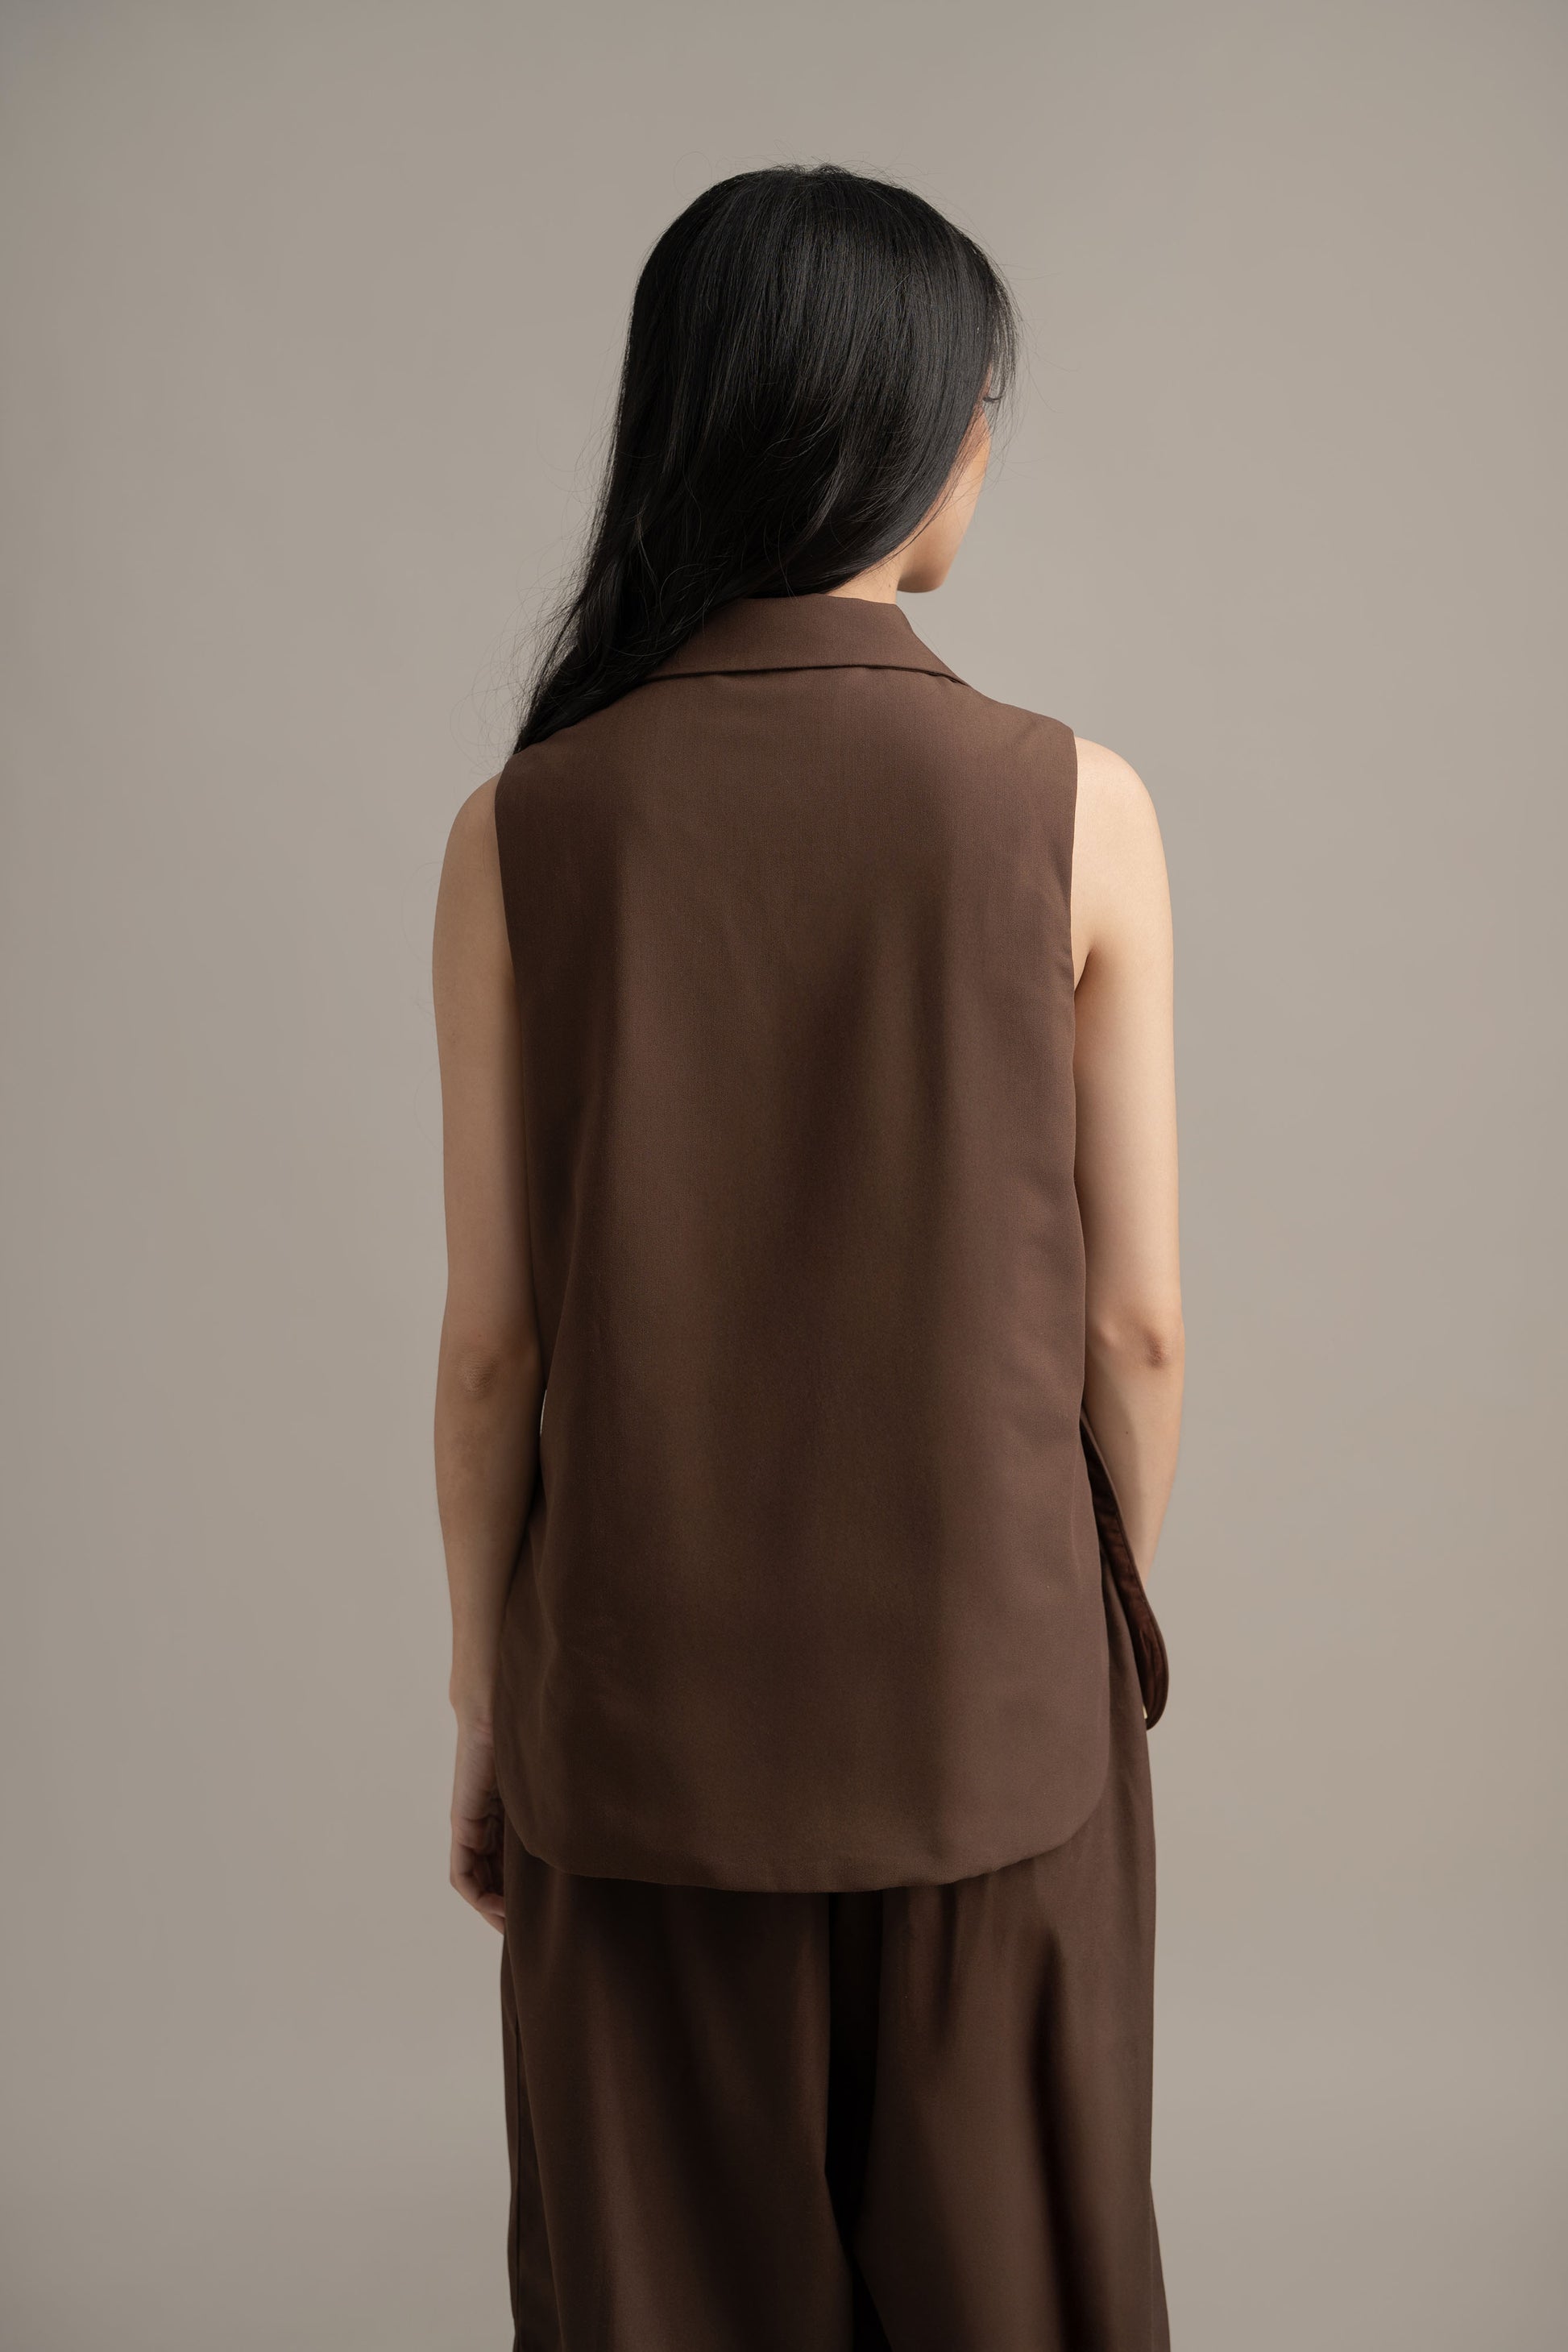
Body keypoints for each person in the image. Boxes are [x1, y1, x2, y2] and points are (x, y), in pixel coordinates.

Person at [432, 162, 1182, 2352]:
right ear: (915, 433)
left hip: (631, 1734)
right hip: (996, 1723)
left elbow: (494, 1356)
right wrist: (1079, 1629)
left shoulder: (522, 825)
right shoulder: (1076, 805)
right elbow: (1135, 1326)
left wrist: (490, 1706)